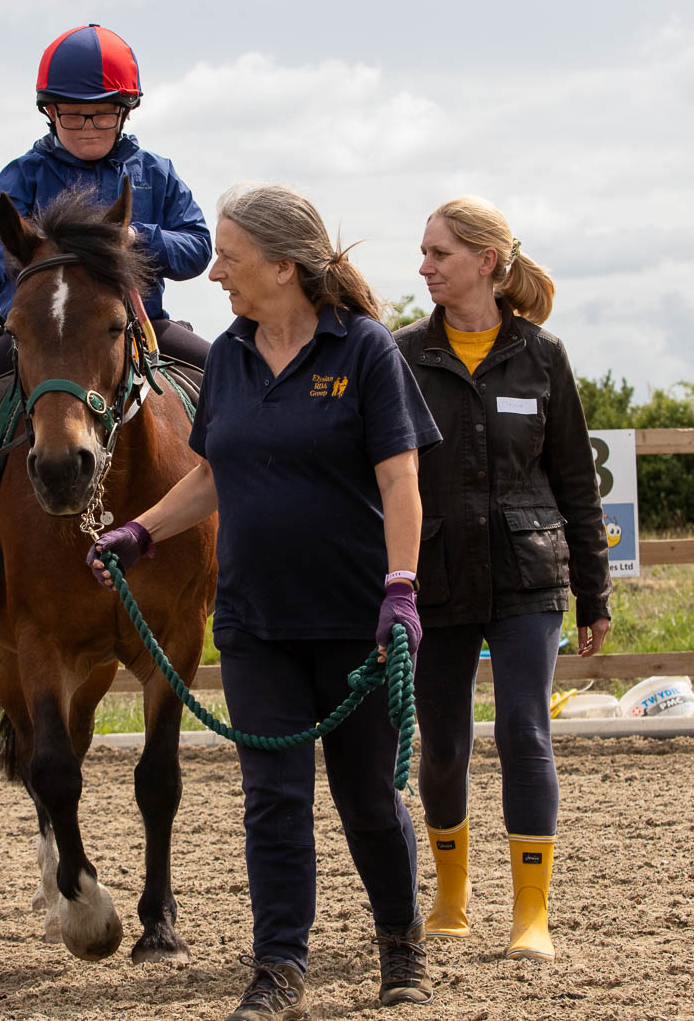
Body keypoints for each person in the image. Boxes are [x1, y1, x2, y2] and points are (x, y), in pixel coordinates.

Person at [88, 184, 441, 1019]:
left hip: (356, 618)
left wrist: (401, 588)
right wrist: (140, 532)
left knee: (365, 799)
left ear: (284, 266)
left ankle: (400, 938)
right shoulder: (231, 357)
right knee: (272, 801)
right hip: (253, 622)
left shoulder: (365, 353)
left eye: (231, 258)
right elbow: (211, 476)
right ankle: (279, 964)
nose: (214, 273)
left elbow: (401, 482)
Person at [0, 23, 212, 630]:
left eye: (101, 117)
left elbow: (198, 248)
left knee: (228, 380)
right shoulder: (25, 173)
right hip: (43, 331)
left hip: (139, 323)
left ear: (125, 112)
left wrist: (138, 237)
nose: (86, 129)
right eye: (72, 117)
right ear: (49, 113)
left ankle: (236, 551)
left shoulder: (156, 174)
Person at [394, 197, 612, 963]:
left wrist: (595, 592)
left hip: (528, 574)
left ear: (486, 261)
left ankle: (532, 913)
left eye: (438, 253)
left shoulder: (543, 356)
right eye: (423, 253)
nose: (423, 267)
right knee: (443, 744)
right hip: (437, 576)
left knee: (525, 731)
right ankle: (451, 897)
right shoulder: (403, 356)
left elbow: (576, 483)